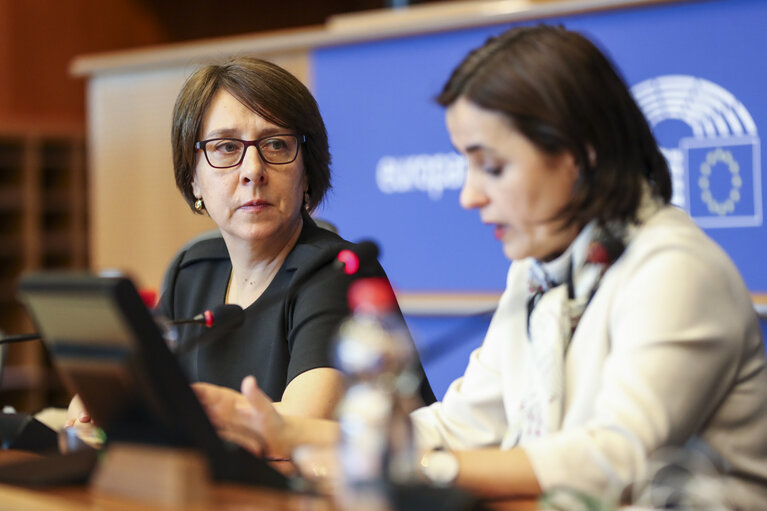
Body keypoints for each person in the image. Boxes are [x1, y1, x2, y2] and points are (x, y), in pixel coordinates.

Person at [192, 26, 767, 508]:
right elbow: (462, 424)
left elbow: (616, 459)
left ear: (580, 156)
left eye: (491, 166)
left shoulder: (673, 270)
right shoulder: (547, 266)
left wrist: (423, 477)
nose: (469, 195)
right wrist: (288, 433)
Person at [67, 57, 434, 427]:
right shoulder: (193, 269)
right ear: (192, 177)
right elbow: (134, 382)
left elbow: (302, 422)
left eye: (275, 144)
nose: (253, 171)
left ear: (306, 170)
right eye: (226, 147)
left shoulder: (335, 271)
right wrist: (100, 399)